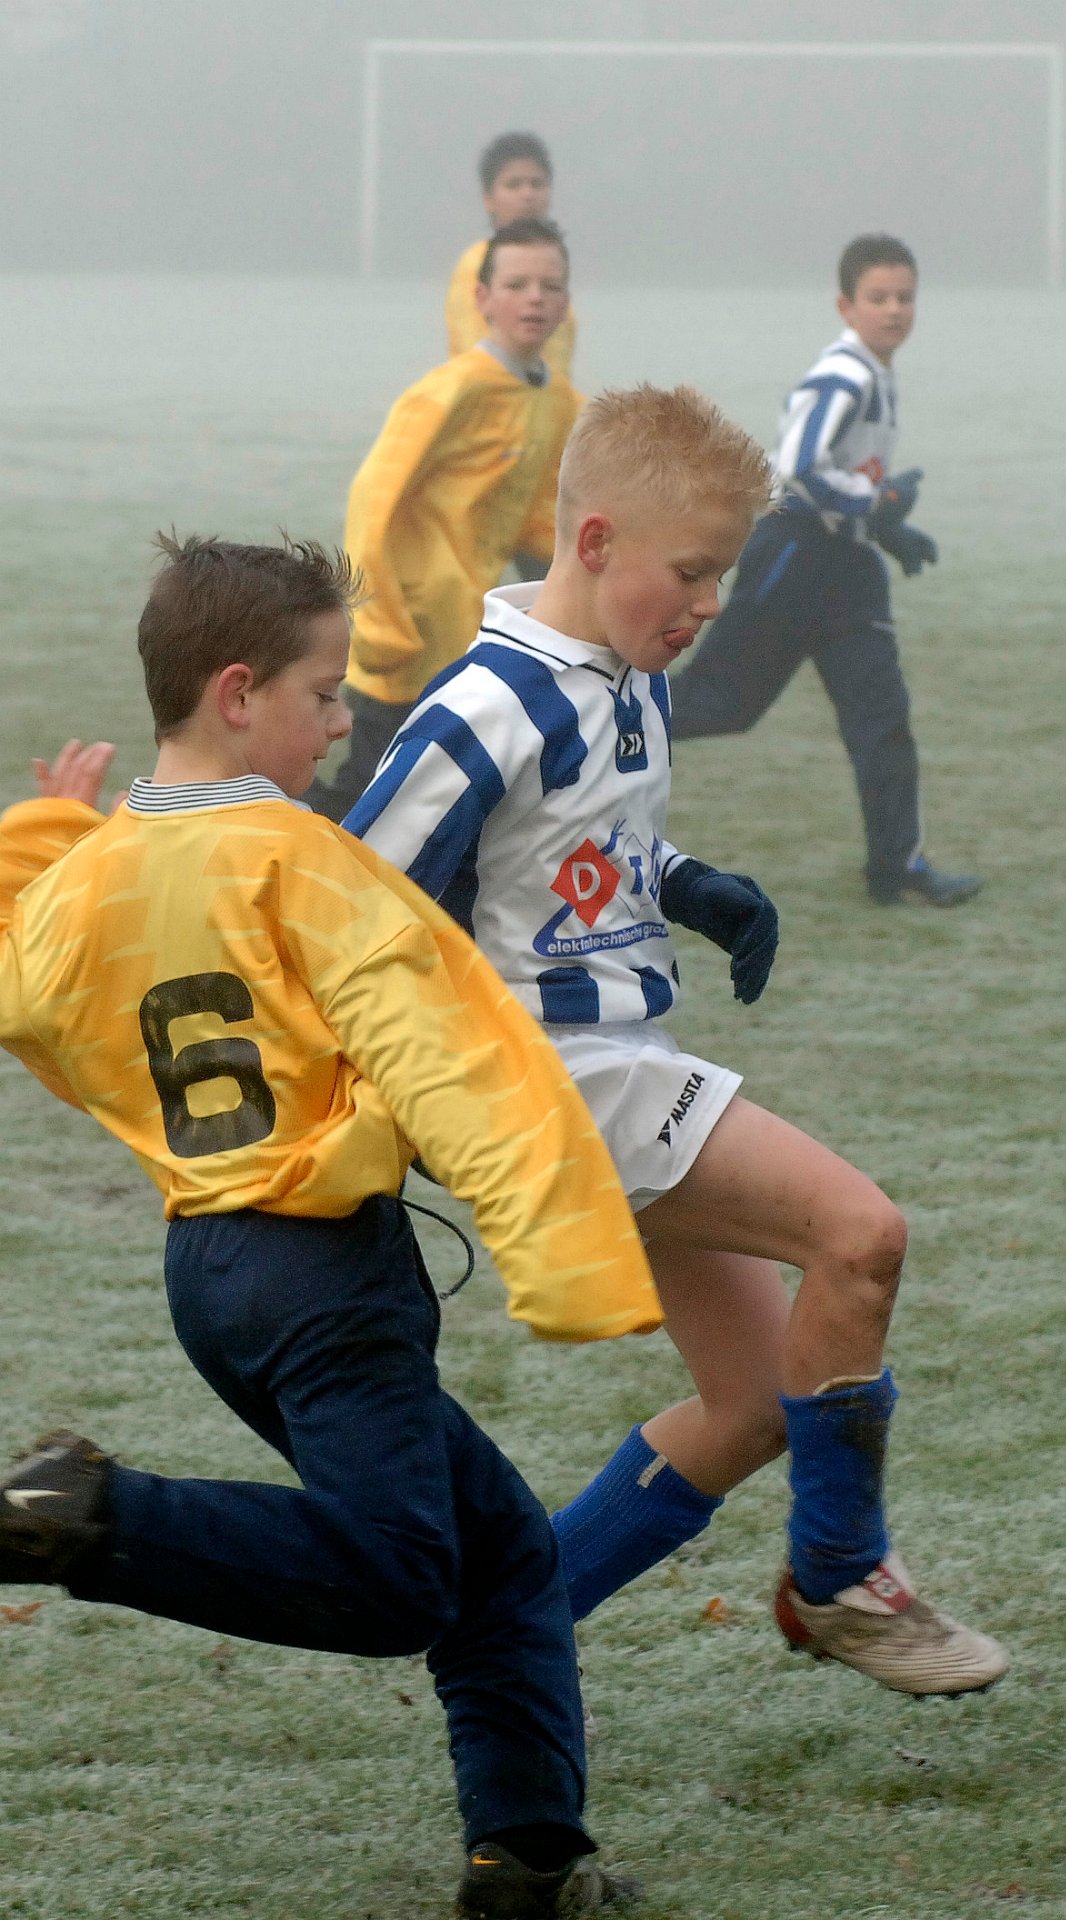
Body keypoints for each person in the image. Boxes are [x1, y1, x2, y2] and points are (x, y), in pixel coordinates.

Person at [0, 534, 656, 1919]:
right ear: (237, 694)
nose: (345, 720)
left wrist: (48, 839)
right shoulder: (301, 859)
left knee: (499, 1554)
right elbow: (450, 1054)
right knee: (398, 1579)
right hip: (324, 1277)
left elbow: (26, 996)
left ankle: (529, 1856)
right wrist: (567, 1253)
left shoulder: (91, 881)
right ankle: (87, 1518)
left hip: (210, 1274)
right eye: (324, 692)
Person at [344, 386, 1009, 1698]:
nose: (709, 606)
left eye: (724, 577)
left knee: (754, 1404)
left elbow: (585, 845)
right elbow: (351, 901)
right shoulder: (483, 706)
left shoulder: (629, 675)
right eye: (692, 572)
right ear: (594, 542)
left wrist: (688, 884)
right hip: (555, 1083)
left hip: (620, 1068)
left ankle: (506, 1632)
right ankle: (840, 1577)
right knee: (860, 1237)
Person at [669, 234, 982, 908]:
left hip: (848, 570)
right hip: (795, 558)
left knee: (882, 720)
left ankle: (897, 867)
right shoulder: (844, 374)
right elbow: (798, 467)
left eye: (904, 297)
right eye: (878, 297)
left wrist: (887, 532)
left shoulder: (877, 373)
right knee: (719, 705)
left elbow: (841, 474)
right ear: (846, 305)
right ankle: (586, 725)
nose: (893, 309)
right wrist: (877, 502)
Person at [309, 216, 579, 823]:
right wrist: (377, 617)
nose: (535, 298)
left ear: (567, 303)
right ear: (481, 298)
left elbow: (537, 517)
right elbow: (372, 500)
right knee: (368, 798)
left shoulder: (555, 399)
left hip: (470, 632)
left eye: (550, 285)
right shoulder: (449, 392)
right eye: (516, 284)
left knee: (443, 797)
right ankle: (251, 808)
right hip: (410, 629)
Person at [444, 131, 576, 379]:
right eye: (513, 185)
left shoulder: (552, 265)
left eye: (537, 184)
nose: (527, 194)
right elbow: (475, 353)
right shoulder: (478, 264)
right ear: (488, 199)